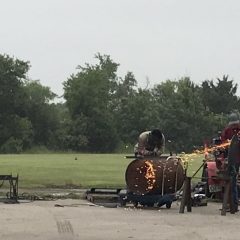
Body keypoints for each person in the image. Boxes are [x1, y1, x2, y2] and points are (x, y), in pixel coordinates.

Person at [221, 112, 240, 213]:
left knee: (232, 181)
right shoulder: (227, 130)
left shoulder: (235, 130)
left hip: (235, 159)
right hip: (231, 159)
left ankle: (233, 205)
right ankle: (231, 203)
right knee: (230, 181)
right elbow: (223, 144)